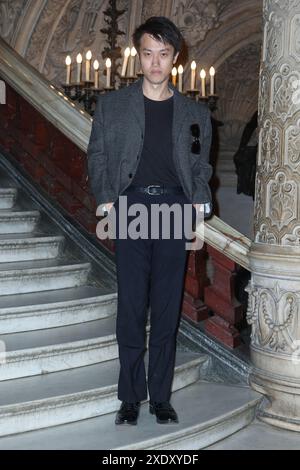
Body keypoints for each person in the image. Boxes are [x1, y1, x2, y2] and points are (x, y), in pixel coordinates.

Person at [87, 16, 213, 426]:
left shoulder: (195, 112)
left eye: (163, 54)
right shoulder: (113, 105)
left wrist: (199, 200)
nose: (155, 62)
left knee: (165, 308)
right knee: (130, 307)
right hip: (132, 209)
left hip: (174, 211)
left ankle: (160, 396)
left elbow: (200, 165)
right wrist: (106, 198)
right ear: (138, 57)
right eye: (147, 53)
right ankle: (129, 397)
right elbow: (98, 155)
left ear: (175, 58)